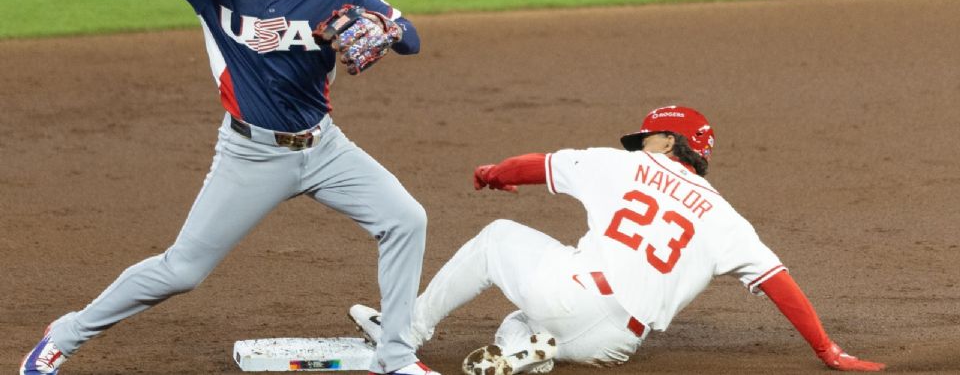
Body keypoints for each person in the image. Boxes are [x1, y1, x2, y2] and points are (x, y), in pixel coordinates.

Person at [21, 0, 438, 375]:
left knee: (407, 220)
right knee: (182, 271)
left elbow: (410, 35)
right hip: (251, 156)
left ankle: (396, 357)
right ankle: (63, 336)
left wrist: (381, 29)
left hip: (326, 149)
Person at [349, 106, 886, 373]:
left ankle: (404, 334)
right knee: (523, 318)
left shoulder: (625, 165)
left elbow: (534, 165)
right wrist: (829, 351)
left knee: (497, 238)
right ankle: (523, 354)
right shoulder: (726, 217)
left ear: (668, 140)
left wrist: (493, 173)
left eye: (647, 134)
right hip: (614, 346)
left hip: (575, 294)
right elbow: (779, 284)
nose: (637, 141)